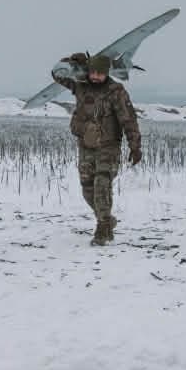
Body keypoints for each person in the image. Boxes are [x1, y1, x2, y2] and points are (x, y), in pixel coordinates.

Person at [52, 52, 142, 245]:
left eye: (100, 74)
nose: (95, 77)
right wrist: (69, 61)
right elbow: (57, 74)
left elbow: (129, 119)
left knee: (102, 184)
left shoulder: (116, 91)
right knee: (87, 189)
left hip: (108, 147)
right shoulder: (80, 87)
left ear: (107, 73)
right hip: (86, 145)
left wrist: (135, 146)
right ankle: (108, 220)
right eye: (92, 72)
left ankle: (102, 229)